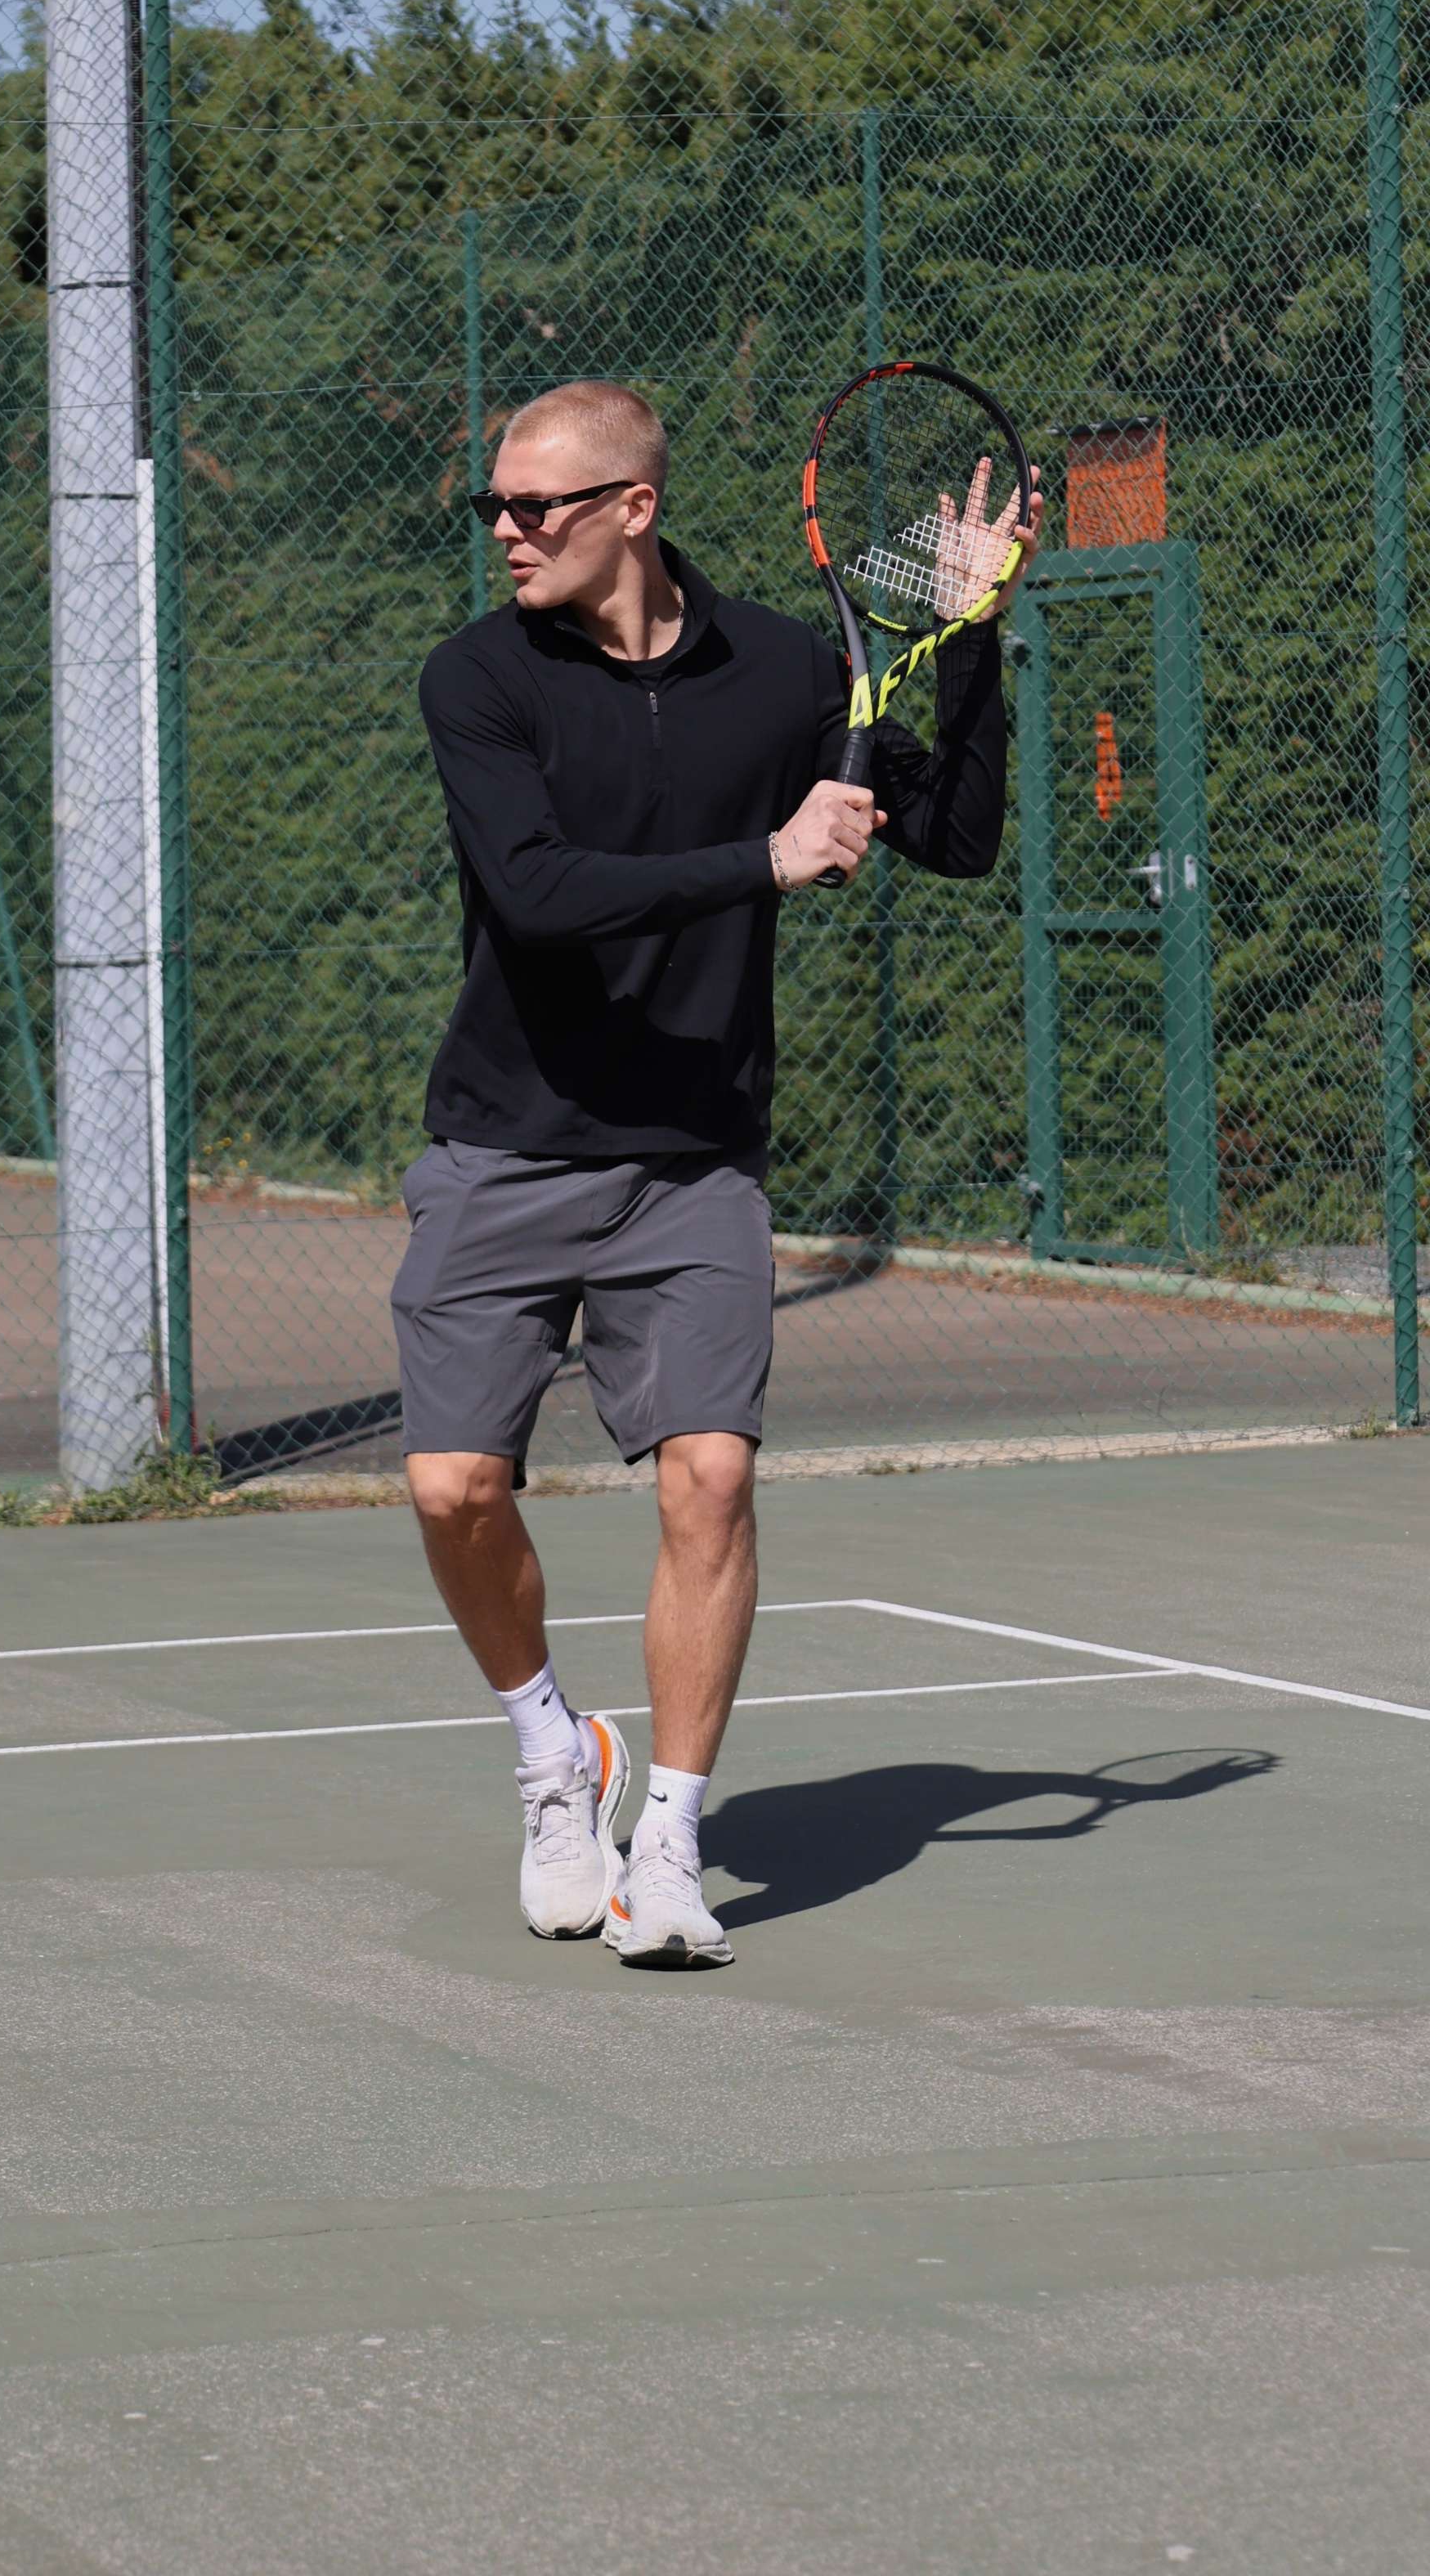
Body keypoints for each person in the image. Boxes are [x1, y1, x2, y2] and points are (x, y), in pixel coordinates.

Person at [392, 377, 1041, 1965]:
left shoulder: (784, 673)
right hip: (503, 1144)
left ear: (634, 506)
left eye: (535, 505)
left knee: (714, 1476)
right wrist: (763, 857)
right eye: (493, 504)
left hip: (695, 1159)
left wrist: (971, 637)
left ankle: (670, 1844)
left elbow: (955, 835)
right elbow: (538, 893)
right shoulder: (479, 676)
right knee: (454, 1487)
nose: (505, 530)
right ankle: (556, 1753)